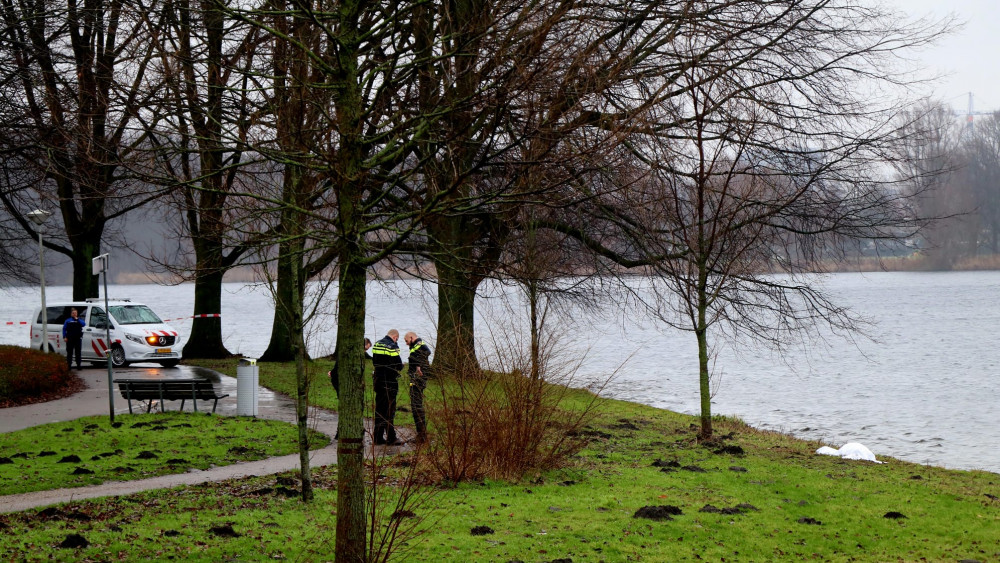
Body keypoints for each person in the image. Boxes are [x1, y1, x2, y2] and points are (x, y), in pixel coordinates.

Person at [329, 338, 372, 440]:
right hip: (339, 381)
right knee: (346, 405)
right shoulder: (351, 355)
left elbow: (368, 357)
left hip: (338, 379)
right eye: (366, 349)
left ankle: (342, 431)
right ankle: (342, 431)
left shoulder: (355, 352)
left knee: (347, 405)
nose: (365, 352)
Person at [371, 329, 403, 445]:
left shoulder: (377, 344)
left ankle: (378, 437)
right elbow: (398, 365)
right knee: (390, 409)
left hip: (378, 380)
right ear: (395, 337)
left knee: (379, 409)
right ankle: (391, 437)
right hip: (389, 381)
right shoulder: (392, 346)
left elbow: (374, 362)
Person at [404, 331, 432, 443]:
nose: (406, 343)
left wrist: (418, 366)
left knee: (416, 405)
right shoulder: (415, 346)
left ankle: (422, 435)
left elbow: (427, 352)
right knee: (415, 404)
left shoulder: (419, 344)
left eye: (406, 341)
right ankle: (421, 434)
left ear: (411, 337)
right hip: (415, 378)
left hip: (418, 378)